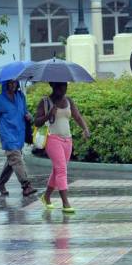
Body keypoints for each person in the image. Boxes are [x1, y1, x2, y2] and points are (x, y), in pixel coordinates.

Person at [34, 82, 90, 213]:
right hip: (53, 139)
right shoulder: (45, 101)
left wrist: (85, 128)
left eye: (66, 87)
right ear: (54, 87)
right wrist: (49, 114)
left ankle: (46, 197)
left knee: (57, 170)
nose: (64, 90)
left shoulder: (69, 100)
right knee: (61, 170)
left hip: (67, 140)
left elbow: (77, 116)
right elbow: (36, 121)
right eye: (61, 87)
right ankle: (66, 203)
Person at [0, 80, 37, 197]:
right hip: (8, 135)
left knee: (12, 161)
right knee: (16, 159)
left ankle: (0, 184)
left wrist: (29, 116)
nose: (12, 85)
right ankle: (26, 186)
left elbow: (25, 111)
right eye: (10, 83)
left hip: (20, 134)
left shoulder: (20, 96)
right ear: (5, 84)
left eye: (14, 83)